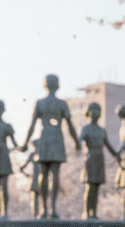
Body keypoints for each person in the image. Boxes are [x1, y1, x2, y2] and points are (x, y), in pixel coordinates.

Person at [20, 74, 80, 218]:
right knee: (55, 174)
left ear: (45, 85)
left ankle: (43, 209)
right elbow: (70, 125)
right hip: (56, 138)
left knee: (43, 174)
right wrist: (76, 142)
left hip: (45, 137)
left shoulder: (40, 103)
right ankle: (52, 209)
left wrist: (24, 144)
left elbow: (32, 126)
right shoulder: (61, 103)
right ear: (57, 86)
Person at [80, 102, 118, 219]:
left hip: (99, 157)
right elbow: (79, 140)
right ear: (88, 112)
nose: (96, 113)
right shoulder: (86, 128)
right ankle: (86, 212)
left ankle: (94, 212)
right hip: (90, 157)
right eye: (93, 110)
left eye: (98, 110)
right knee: (90, 186)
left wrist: (117, 155)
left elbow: (108, 145)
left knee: (96, 187)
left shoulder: (102, 130)